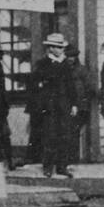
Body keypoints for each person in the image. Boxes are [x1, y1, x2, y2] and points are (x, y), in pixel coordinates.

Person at [29, 33, 78, 177]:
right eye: (58, 47)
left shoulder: (65, 64)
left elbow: (71, 85)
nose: (61, 50)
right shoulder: (42, 64)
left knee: (64, 135)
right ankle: (48, 167)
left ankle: (62, 166)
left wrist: (74, 104)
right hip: (49, 106)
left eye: (61, 48)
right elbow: (34, 84)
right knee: (50, 136)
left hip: (64, 105)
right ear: (50, 48)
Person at [64, 44, 96, 164]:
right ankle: (66, 158)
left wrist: (83, 101)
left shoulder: (82, 70)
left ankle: (73, 157)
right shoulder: (63, 70)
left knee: (74, 131)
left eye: (72, 56)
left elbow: (90, 87)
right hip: (66, 105)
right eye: (68, 56)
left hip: (80, 106)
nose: (70, 59)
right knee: (66, 131)